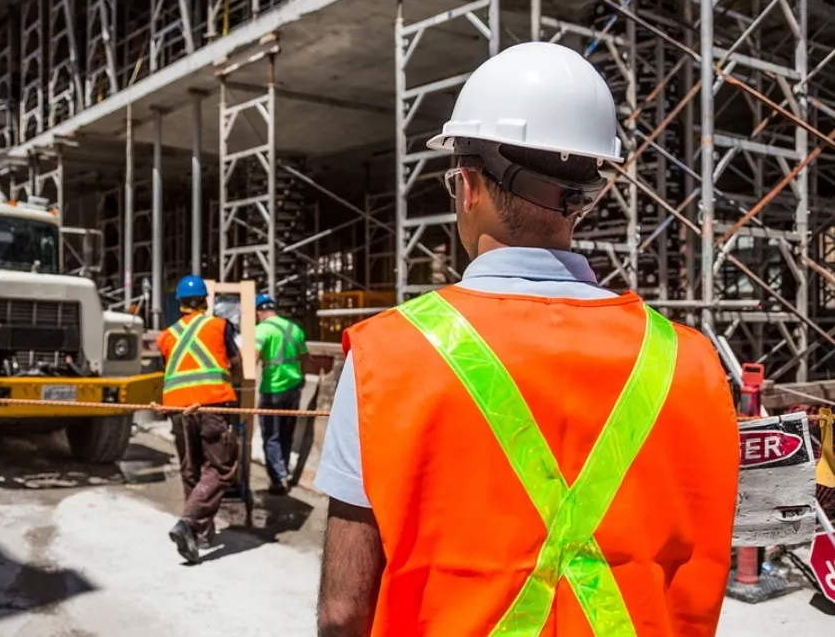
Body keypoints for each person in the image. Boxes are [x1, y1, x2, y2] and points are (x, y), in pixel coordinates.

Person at [314, 42, 740, 637]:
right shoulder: (690, 361)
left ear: (466, 186)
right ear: (585, 196)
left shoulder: (388, 356)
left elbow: (343, 610)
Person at [156, 274, 241, 564]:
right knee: (221, 468)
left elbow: (170, 369)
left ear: (179, 303)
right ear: (206, 301)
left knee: (191, 469)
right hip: (212, 405)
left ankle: (200, 534)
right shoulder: (219, 326)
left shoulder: (166, 336)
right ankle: (189, 523)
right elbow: (237, 360)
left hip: (178, 410)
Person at [254, 293, 310, 494]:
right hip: (293, 388)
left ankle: (278, 480)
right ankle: (283, 470)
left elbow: (253, 357)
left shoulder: (262, 330)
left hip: (272, 390)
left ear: (259, 312)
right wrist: (301, 377)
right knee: (287, 433)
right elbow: (305, 356)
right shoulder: (294, 329)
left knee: (271, 435)